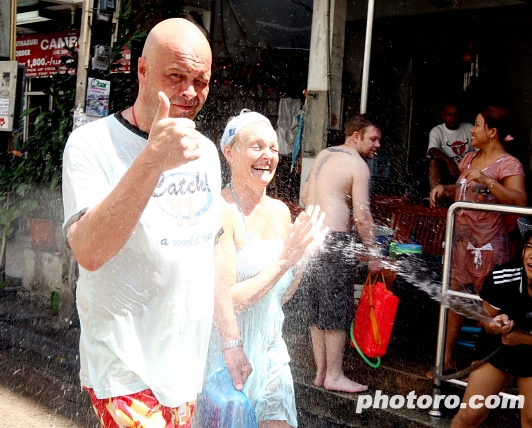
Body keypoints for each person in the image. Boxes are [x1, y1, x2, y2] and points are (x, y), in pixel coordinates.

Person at [62, 18, 250, 427]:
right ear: (143, 70)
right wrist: (152, 158)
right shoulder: (91, 144)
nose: (190, 92)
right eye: (176, 76)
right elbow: (89, 252)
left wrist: (231, 340)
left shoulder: (203, 151)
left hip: (183, 369)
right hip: (122, 365)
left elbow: (211, 250)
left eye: (201, 81)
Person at [201, 111, 328, 427]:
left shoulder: (280, 212)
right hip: (225, 356)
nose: (268, 156)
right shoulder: (221, 211)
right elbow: (227, 300)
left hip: (271, 355)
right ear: (229, 152)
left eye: (273, 148)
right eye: (256, 146)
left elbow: (279, 298)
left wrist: (301, 259)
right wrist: (285, 261)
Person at [429, 106, 527, 378]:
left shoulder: (509, 164)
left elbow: (520, 201)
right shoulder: (469, 158)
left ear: (492, 132)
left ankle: (490, 371)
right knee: (454, 300)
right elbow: (463, 190)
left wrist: (488, 181)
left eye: (477, 125)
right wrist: (443, 189)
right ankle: (445, 361)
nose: (471, 129)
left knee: (491, 307)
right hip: (461, 242)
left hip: (488, 246)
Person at [451, 212, 532, 428]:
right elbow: (487, 320)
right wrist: (495, 326)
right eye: (529, 247)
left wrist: (523, 339)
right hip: (498, 346)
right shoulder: (502, 277)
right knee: (471, 414)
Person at [299, 114, 382, 393]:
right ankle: (334, 375)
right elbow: (362, 216)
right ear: (355, 136)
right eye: (373, 138)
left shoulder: (324, 154)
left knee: (317, 309)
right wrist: (373, 254)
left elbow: (304, 195)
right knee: (335, 310)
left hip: (311, 240)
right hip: (335, 242)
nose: (377, 145)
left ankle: (321, 372)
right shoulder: (358, 166)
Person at [427, 103, 474, 191]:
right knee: (433, 163)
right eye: (449, 114)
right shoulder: (437, 131)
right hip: (448, 172)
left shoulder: (469, 127)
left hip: (468, 170)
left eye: (455, 114)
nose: (453, 117)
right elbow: (432, 150)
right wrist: (449, 161)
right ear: (443, 117)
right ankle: (436, 198)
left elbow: (480, 150)